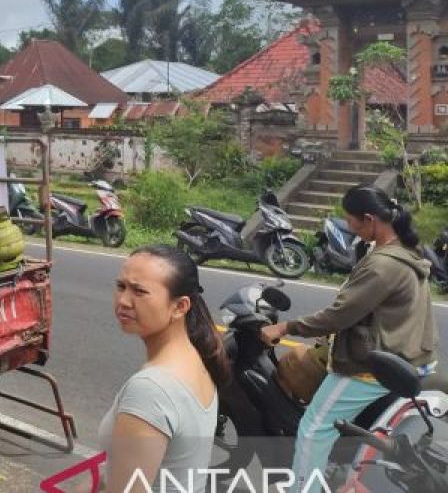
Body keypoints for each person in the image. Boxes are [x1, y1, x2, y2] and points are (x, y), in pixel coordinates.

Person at [261, 185, 439, 488]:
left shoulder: (383, 266)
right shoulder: (405, 250)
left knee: (315, 428)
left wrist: (285, 328)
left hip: (375, 367)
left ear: (369, 219)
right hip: (413, 355)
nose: (350, 227)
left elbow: (338, 316)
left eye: (352, 222)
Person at [100, 245, 227, 493]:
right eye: (121, 286)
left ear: (180, 307)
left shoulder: (150, 389)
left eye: (139, 291)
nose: (123, 301)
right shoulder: (196, 358)